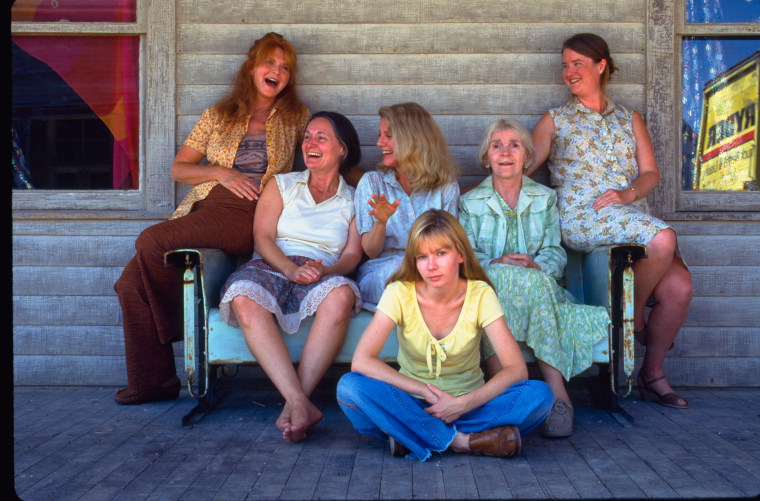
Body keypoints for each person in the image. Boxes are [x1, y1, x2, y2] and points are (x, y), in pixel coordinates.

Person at [113, 32, 310, 405]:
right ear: (251, 67)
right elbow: (179, 169)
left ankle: (177, 328)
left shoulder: (296, 116)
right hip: (205, 208)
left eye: (285, 68)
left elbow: (322, 154)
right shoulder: (218, 115)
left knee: (150, 241)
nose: (277, 71)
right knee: (128, 284)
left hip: (247, 214)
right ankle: (153, 382)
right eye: (270, 63)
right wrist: (220, 171)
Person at [530, 33, 692, 409]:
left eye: (577, 64)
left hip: (630, 215)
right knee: (664, 240)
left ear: (601, 65)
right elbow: (522, 165)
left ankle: (652, 374)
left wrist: (627, 194)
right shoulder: (556, 120)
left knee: (679, 288)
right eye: (565, 65)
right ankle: (632, 322)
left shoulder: (628, 118)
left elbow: (650, 173)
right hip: (585, 217)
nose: (569, 72)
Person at [337, 210, 553, 461]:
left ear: (460, 254)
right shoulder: (399, 293)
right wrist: (426, 392)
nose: (431, 266)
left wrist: (462, 404)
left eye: (441, 253)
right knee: (349, 387)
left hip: (471, 408)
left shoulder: (480, 294)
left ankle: (412, 436)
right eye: (422, 256)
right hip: (409, 404)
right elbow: (362, 361)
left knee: (539, 396)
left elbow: (516, 369)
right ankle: (463, 441)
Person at [459, 119, 610, 437]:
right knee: (495, 282)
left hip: (541, 292)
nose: (505, 152)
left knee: (533, 282)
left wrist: (536, 267)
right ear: (487, 156)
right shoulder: (469, 203)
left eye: (514, 144)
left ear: (527, 156)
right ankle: (547, 393)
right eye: (496, 145)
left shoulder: (545, 198)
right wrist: (496, 263)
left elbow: (555, 252)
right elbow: (467, 258)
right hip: (491, 289)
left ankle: (549, 397)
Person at [219, 111, 363, 442]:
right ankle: (299, 403)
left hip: (322, 270)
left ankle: (294, 405)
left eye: (321, 138)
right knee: (243, 295)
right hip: (274, 263)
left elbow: (353, 255)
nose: (309, 144)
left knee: (341, 295)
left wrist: (325, 270)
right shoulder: (282, 184)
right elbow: (262, 239)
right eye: (307, 137)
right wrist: (289, 268)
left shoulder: (353, 199)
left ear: (342, 149)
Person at [354, 102, 460, 310]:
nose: (379, 142)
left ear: (411, 139)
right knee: (404, 270)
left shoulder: (445, 186)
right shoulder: (372, 182)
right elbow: (371, 251)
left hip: (431, 271)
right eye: (379, 134)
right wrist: (380, 222)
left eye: (388, 136)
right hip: (382, 274)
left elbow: (447, 247)